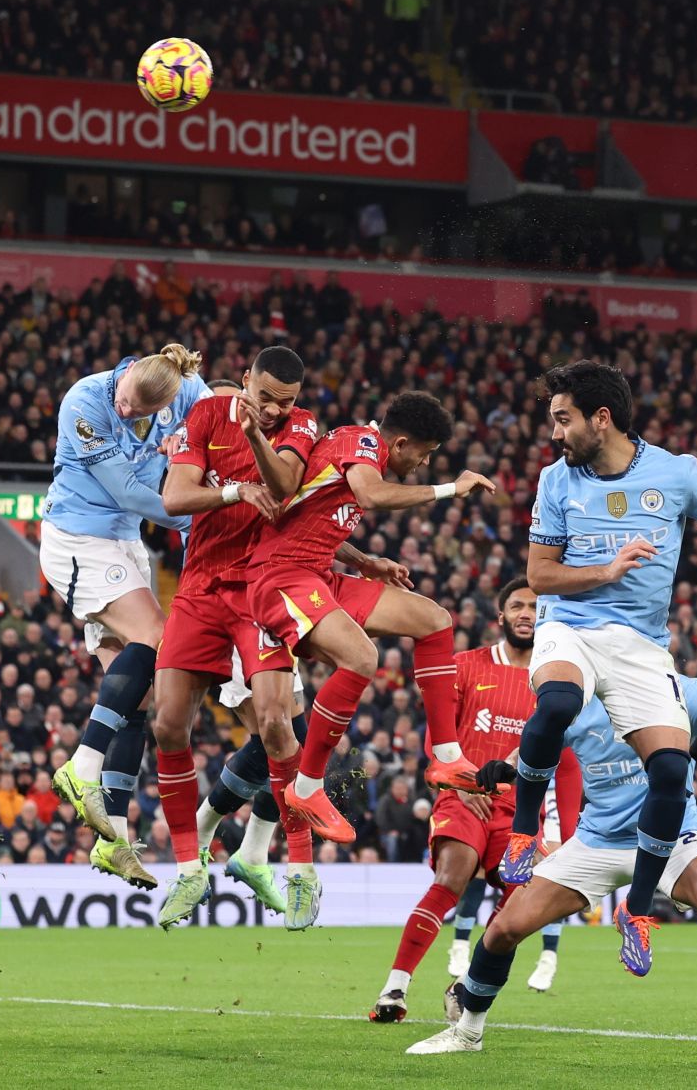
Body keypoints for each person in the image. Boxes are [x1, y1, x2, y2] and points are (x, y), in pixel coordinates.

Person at [503, 360, 697, 977]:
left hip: (640, 646)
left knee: (669, 767)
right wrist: (606, 572)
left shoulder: (676, 475)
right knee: (556, 706)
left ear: (601, 419)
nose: (554, 433)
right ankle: (523, 834)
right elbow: (540, 576)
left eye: (562, 419)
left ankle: (639, 908)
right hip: (570, 628)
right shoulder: (556, 480)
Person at [407, 678, 697, 1060]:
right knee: (504, 929)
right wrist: (504, 770)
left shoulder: (685, 691)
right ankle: (467, 1033)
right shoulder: (572, 701)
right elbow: (527, 753)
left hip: (675, 836)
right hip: (598, 840)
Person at [244, 392, 499, 846]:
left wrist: (362, 560)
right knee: (362, 657)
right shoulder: (362, 443)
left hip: (318, 573)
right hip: (280, 575)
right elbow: (370, 494)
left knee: (434, 619)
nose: (423, 464)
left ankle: (445, 755)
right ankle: (307, 788)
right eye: (425, 453)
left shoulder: (353, 447)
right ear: (400, 444)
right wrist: (450, 489)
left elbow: (306, 512)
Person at [151, 349, 323, 928]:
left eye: (287, 400)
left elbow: (288, 486)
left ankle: (298, 868)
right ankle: (188, 867)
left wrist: (256, 440)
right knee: (169, 724)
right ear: (244, 380)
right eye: (266, 395)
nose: (276, 408)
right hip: (200, 587)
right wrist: (232, 492)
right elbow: (174, 498)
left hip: (261, 589)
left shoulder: (301, 427)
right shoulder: (204, 416)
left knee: (280, 724)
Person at [370, 578, 581, 1022]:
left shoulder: (558, 682)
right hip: (462, 796)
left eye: (535, 607)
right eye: (518, 606)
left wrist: (569, 835)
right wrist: (458, 787)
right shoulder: (464, 666)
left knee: (526, 898)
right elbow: (436, 738)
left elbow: (566, 762)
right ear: (500, 616)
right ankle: (395, 987)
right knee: (453, 875)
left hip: (519, 811)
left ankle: (465, 985)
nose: (527, 613)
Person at [40, 343, 208, 887]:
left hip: (124, 544)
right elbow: (131, 493)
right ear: (127, 373)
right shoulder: (86, 402)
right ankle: (82, 764)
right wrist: (209, 512)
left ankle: (113, 836)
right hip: (79, 538)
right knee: (159, 641)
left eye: (140, 410)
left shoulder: (182, 393)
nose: (128, 410)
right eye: (128, 400)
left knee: (139, 691)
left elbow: (220, 414)